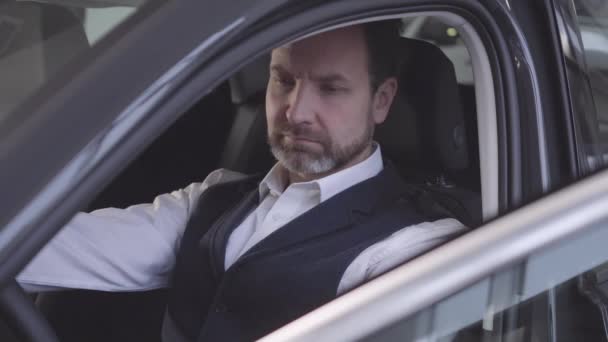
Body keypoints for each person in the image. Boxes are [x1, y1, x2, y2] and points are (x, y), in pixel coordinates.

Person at [18, 21, 467, 341]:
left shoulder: (417, 246)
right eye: (283, 80)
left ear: (382, 100)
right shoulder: (215, 197)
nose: (295, 111)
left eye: (330, 88)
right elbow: (41, 248)